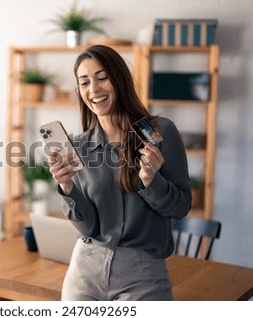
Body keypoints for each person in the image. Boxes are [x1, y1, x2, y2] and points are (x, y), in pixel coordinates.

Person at [48, 45, 192, 301]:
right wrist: (67, 188)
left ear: (120, 79)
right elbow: (89, 227)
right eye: (84, 82)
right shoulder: (78, 146)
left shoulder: (162, 132)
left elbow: (180, 207)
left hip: (143, 273)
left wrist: (151, 180)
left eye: (102, 77)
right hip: (85, 271)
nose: (94, 89)